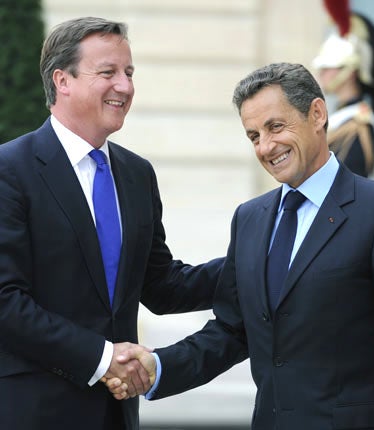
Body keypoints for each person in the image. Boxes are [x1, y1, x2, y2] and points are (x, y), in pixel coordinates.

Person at [109, 62, 374, 429]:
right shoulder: (250, 219)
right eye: (253, 136)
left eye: (276, 126)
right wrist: (159, 366)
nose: (266, 146)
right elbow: (232, 331)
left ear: (317, 114)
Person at [0, 17, 223, 430]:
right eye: (108, 73)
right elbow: (5, 302)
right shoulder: (10, 170)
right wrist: (103, 359)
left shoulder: (137, 174)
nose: (125, 86)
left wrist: (258, 257)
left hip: (115, 415)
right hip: (30, 412)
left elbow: (160, 285)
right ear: (62, 80)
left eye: (129, 73)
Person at [312, 1, 374, 183]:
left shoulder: (358, 125)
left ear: (350, 72)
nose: (322, 73)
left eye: (328, 66)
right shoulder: (343, 118)